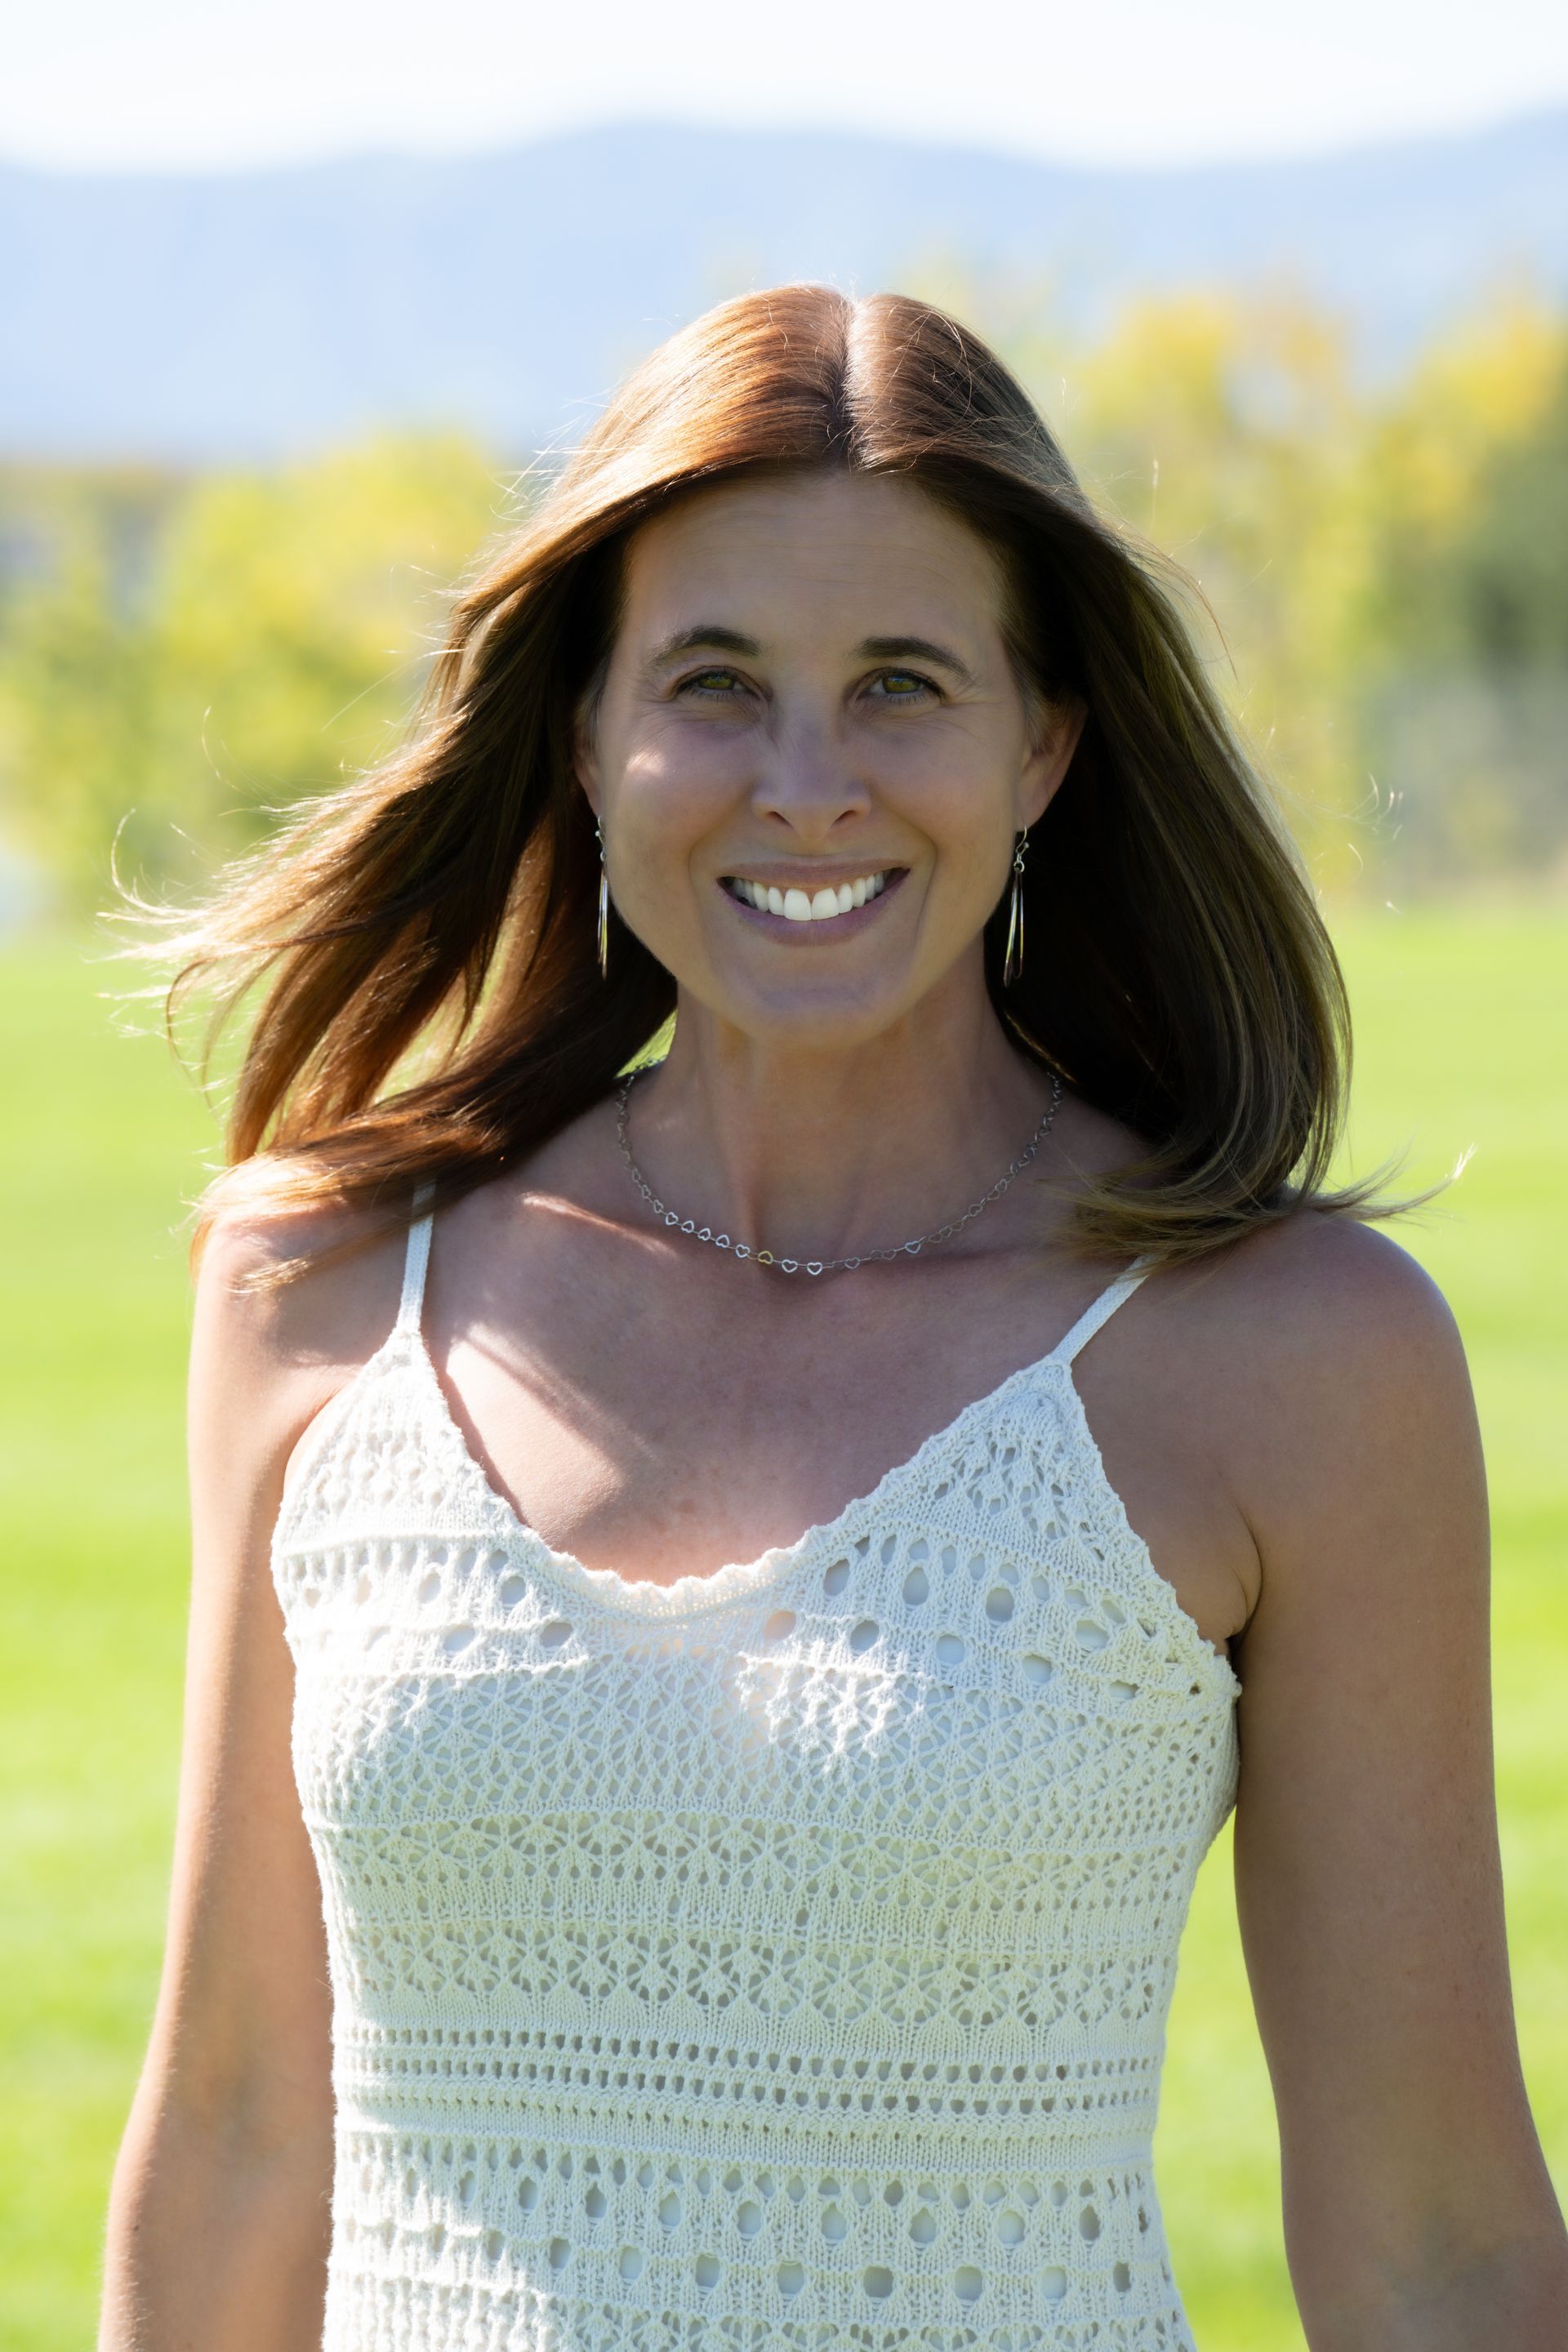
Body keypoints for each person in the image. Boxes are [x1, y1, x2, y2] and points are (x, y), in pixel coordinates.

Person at [99, 285, 1567, 2352]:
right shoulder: (323, 1290)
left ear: (1042, 743)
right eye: (714, 683)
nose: (806, 784)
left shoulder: (1292, 1357)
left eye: (901, 685)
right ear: (591, 740)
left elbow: (1433, 2238)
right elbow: (243, 2130)